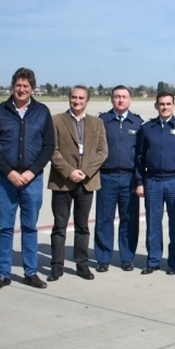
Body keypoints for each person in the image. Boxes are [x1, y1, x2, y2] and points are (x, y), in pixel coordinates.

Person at [0, 67, 55, 291]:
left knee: (29, 227)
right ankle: (3, 274)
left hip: (32, 180)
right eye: (18, 85)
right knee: (5, 226)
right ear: (12, 86)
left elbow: (49, 146)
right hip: (5, 180)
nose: (21, 89)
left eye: (26, 86)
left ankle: (30, 272)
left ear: (33, 88)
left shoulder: (42, 112)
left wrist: (31, 172)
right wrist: (10, 172)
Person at [47, 85, 108, 282]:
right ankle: (57, 265)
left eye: (81, 98)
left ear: (87, 101)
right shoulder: (56, 120)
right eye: (74, 97)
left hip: (86, 182)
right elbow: (52, 150)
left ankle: (82, 264)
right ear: (69, 99)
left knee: (82, 226)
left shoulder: (97, 123)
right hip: (62, 183)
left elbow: (102, 152)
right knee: (60, 226)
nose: (77, 101)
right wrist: (69, 171)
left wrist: (85, 172)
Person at [134, 91, 175, 275]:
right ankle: (153, 260)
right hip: (153, 181)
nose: (165, 107)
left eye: (168, 104)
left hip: (174, 181)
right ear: (156, 106)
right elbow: (139, 157)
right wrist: (140, 181)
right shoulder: (147, 128)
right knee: (153, 223)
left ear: (174, 105)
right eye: (161, 104)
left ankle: (174, 262)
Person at [95, 86, 143, 272]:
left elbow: (140, 155)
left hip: (129, 178)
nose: (121, 100)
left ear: (130, 100)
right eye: (117, 97)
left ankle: (127, 257)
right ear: (111, 99)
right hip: (107, 177)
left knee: (129, 220)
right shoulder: (102, 121)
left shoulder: (137, 122)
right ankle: (103, 258)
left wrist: (139, 181)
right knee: (104, 219)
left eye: (124, 97)